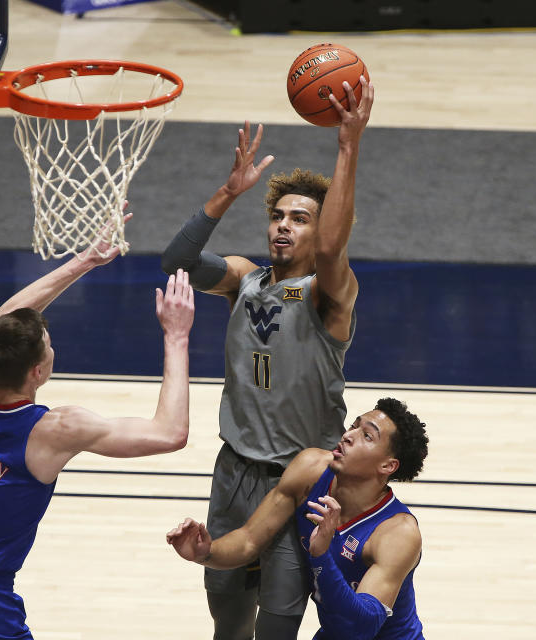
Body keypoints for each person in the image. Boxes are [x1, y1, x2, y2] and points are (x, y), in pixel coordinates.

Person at [0, 225, 196, 640]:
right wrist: (176, 336)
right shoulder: (53, 429)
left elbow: (2, 323)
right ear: (38, 371)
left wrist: (84, 261)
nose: (53, 347)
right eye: (49, 345)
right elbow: (170, 433)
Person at [160, 78, 374, 638]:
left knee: (277, 626)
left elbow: (331, 249)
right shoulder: (242, 280)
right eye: (278, 215)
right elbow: (175, 259)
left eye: (300, 217)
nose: (284, 224)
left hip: (301, 482)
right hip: (233, 473)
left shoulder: (332, 298)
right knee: (227, 620)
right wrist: (227, 193)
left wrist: (348, 144)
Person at [167, 397, 429, 640]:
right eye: (354, 426)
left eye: (367, 436)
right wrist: (205, 553)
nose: (348, 436)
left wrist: (321, 555)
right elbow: (249, 540)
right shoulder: (311, 469)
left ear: (388, 466)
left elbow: (360, 628)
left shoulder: (397, 532)